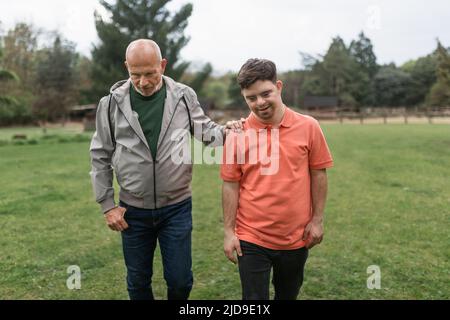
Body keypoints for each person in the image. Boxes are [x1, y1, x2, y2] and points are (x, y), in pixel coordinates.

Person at [90, 39, 242, 300]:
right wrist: (107, 205)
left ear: (162, 65)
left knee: (181, 281)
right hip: (132, 211)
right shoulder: (111, 104)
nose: (143, 82)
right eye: (135, 74)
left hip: (177, 208)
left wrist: (226, 131)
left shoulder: (184, 95)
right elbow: (100, 154)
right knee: (137, 282)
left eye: (150, 73)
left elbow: (205, 131)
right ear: (126, 67)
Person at [221, 58, 333, 300]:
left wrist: (317, 220)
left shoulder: (309, 126)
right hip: (251, 238)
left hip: (296, 237)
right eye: (251, 98)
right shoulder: (237, 134)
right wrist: (229, 231)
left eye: (265, 93)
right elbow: (230, 184)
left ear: (279, 87)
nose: (259, 103)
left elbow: (319, 174)